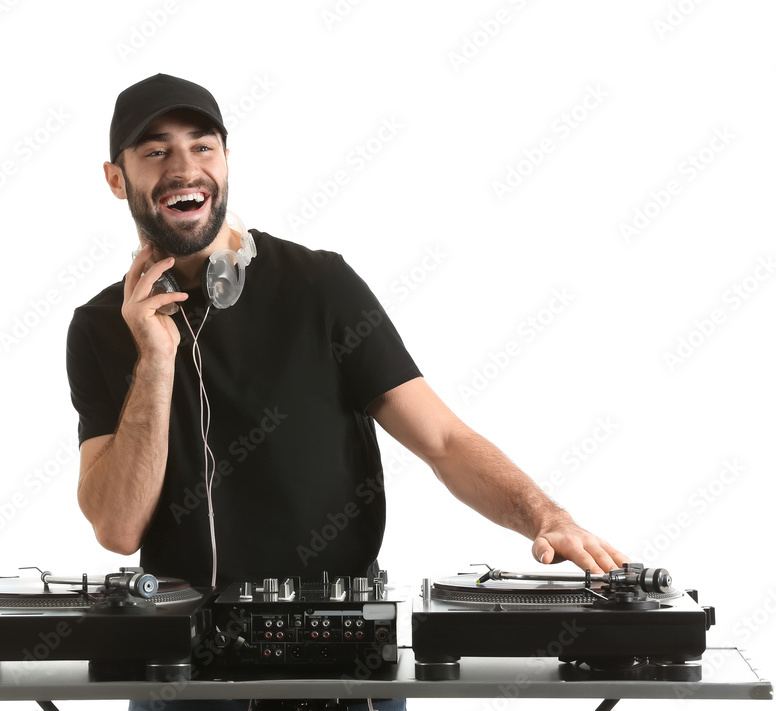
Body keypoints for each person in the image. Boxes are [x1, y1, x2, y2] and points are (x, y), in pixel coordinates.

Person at [66, 74, 627, 708]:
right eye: (156, 151)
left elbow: (442, 440)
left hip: (340, 671)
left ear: (226, 159)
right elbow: (117, 528)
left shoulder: (320, 286)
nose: (185, 168)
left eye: (203, 147)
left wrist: (548, 516)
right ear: (117, 179)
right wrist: (156, 359)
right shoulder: (99, 328)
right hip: (179, 678)